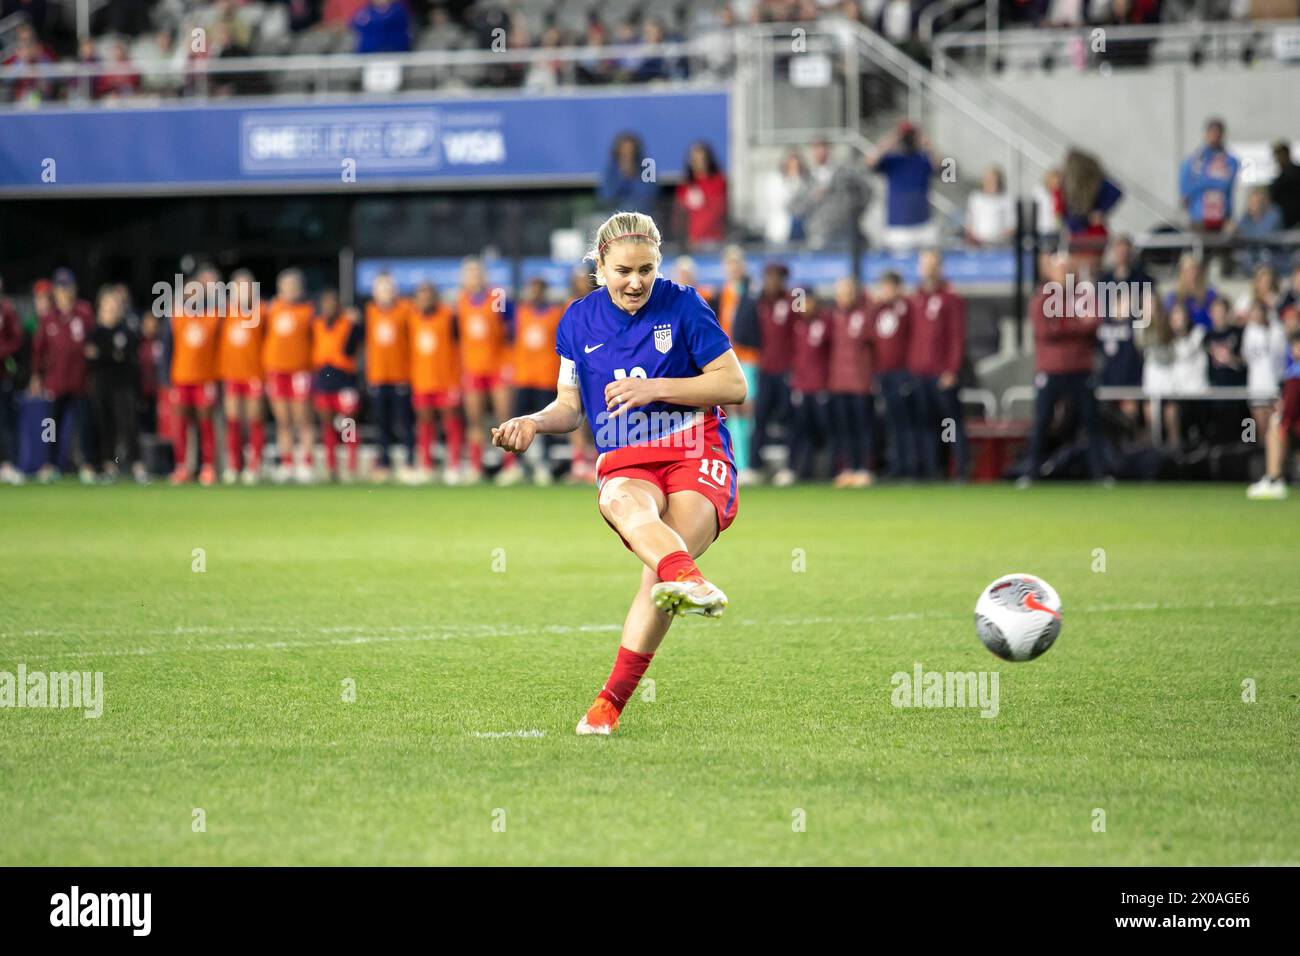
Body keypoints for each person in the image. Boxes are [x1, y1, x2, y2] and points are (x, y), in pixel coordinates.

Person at [489, 212, 746, 736]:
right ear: (599, 265)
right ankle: (688, 581)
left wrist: (656, 388)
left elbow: (734, 385)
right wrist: (533, 422)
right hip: (626, 454)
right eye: (625, 270)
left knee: (662, 567)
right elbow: (570, 406)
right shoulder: (577, 322)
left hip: (695, 445)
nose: (636, 282)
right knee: (626, 507)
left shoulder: (684, 305)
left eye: (647, 270)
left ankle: (609, 703)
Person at [1021, 254, 1105, 485]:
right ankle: (1031, 473)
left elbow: (1094, 322)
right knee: (1041, 423)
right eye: (1061, 270)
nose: (1065, 275)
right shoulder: (1042, 298)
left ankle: (1100, 473)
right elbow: (1046, 331)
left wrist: (1064, 324)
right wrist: (1078, 324)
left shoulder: (1083, 295)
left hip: (1081, 368)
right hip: (1051, 369)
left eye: (1069, 270)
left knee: (1091, 423)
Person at [32, 269, 96, 483]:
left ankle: (87, 465)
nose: (64, 292)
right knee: (50, 427)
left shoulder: (84, 313)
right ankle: (49, 465)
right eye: (60, 287)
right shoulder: (49, 318)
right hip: (55, 382)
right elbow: (39, 349)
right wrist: (36, 375)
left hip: (80, 382)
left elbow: (94, 341)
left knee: (84, 425)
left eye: (67, 286)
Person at [908, 249, 967, 480]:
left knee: (950, 424)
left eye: (933, 264)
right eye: (925, 264)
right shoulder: (915, 300)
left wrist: (952, 369)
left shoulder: (950, 299)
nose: (929, 269)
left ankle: (959, 468)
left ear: (940, 267)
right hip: (919, 372)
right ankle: (933, 471)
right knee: (926, 424)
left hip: (941, 372)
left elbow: (956, 336)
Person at [456, 257, 515, 484]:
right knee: (474, 421)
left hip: (497, 368)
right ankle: (475, 466)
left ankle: (510, 466)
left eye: (477, 272)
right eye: (469, 273)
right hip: (472, 368)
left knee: (505, 419)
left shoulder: (497, 297)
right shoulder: (460, 302)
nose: (474, 277)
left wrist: (510, 363)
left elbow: (512, 330)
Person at [169, 267, 222, 485]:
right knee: (181, 424)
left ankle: (208, 466)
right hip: (181, 377)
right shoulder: (177, 317)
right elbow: (168, 348)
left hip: (206, 378)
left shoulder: (214, 317)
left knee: (205, 423)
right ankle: (183, 466)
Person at [262, 268, 316, 482]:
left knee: (303, 418)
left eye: (294, 286)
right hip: (276, 370)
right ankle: (287, 463)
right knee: (283, 420)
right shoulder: (270, 310)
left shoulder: (309, 311)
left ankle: (307, 463)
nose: (290, 290)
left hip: (300, 370)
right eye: (286, 286)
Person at [85, 286, 143, 483]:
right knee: (104, 425)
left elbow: (128, 357)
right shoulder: (95, 332)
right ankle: (108, 465)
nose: (112, 309)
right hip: (101, 385)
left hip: (124, 386)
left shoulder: (127, 331)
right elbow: (91, 358)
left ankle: (137, 465)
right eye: (108, 305)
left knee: (128, 425)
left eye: (115, 305)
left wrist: (105, 354)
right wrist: (112, 355)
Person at [510, 277, 564, 485]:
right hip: (523, 378)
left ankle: (545, 465)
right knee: (517, 421)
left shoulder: (555, 314)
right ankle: (517, 464)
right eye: (531, 289)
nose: (534, 293)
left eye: (538, 289)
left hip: (546, 378)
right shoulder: (520, 313)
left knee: (546, 424)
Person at [408, 281, 463, 484]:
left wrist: (458, 379)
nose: (425, 300)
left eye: (429, 296)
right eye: (421, 297)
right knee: (424, 423)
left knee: (451, 423)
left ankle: (454, 465)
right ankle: (426, 465)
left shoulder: (448, 316)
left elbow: (460, 347)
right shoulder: (411, 317)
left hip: (446, 381)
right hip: (422, 380)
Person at [217, 268, 265, 484]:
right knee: (233, 421)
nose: (241, 291)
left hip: (254, 373)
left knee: (254, 421)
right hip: (231, 374)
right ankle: (234, 465)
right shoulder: (223, 313)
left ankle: (254, 466)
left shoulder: (262, 311)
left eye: (246, 287)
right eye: (237, 287)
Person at [363, 273, 412, 482]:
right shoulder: (369, 312)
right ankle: (383, 463)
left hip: (401, 375)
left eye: (389, 288)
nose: (386, 293)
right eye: (381, 289)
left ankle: (410, 463)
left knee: (405, 423)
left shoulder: (405, 311)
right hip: (378, 376)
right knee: (381, 423)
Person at [826, 276, 874, 488]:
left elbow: (875, 346)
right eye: (840, 293)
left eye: (847, 292)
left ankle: (864, 468)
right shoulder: (833, 318)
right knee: (843, 429)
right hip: (838, 382)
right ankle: (847, 469)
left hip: (860, 382)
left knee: (862, 428)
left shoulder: (865, 315)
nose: (843, 297)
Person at [750, 262, 796, 483]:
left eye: (777, 277)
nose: (772, 282)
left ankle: (789, 468)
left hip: (787, 370)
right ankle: (754, 466)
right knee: (760, 418)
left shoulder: (794, 300)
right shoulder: (759, 303)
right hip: (765, 368)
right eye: (769, 277)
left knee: (789, 420)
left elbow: (803, 328)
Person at [869, 271, 916, 479]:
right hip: (883, 373)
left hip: (902, 373)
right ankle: (896, 464)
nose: (886, 291)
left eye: (890, 287)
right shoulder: (878, 311)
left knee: (907, 421)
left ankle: (912, 465)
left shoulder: (906, 308)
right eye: (883, 287)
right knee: (891, 422)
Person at [312, 293, 363, 483]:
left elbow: (355, 345)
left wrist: (356, 322)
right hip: (324, 381)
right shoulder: (316, 325)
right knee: (327, 425)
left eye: (332, 304)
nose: (329, 308)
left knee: (348, 424)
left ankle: (351, 467)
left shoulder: (349, 325)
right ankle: (332, 468)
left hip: (345, 381)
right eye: (325, 304)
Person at [783, 294, 832, 485]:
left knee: (824, 431)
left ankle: (828, 470)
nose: (806, 307)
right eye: (803, 304)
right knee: (801, 432)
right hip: (801, 387)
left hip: (820, 387)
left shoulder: (825, 324)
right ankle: (803, 471)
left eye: (810, 302)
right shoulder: (797, 326)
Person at [1246, 331, 1300, 499]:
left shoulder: (1295, 374)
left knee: (1276, 425)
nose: (1294, 349)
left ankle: (1274, 478)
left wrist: (1282, 420)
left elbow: (1290, 409)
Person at [866, 122, 936, 252]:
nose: (908, 141)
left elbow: (948, 172)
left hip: (923, 225)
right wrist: (893, 138)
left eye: (911, 136)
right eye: (906, 137)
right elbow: (870, 162)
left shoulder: (924, 159)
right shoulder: (893, 160)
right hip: (898, 227)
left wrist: (928, 146)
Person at [802, 139, 872, 252]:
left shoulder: (845, 172)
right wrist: (814, 198)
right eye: (816, 149)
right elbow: (796, 207)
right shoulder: (806, 177)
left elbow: (866, 191)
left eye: (823, 149)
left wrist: (855, 212)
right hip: (819, 235)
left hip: (845, 231)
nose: (820, 153)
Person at [1179, 118, 1239, 234]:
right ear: (1206, 134)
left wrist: (1201, 182)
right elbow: (1185, 191)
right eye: (1212, 132)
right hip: (1199, 219)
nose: (1214, 136)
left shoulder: (1230, 160)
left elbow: (1224, 184)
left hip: (1222, 218)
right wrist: (1211, 179)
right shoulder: (1193, 161)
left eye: (1218, 132)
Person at [673, 141, 727, 249]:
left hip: (715, 239)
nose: (699, 162)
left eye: (702, 159)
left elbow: (720, 210)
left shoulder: (719, 182)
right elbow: (679, 214)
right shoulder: (685, 185)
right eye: (695, 159)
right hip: (692, 241)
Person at [598, 132, 659, 216]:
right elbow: (606, 196)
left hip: (642, 218)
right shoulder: (611, 170)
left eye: (630, 152)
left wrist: (632, 175)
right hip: (617, 219)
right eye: (624, 153)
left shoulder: (648, 167)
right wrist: (622, 176)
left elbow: (650, 195)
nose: (627, 156)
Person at [0, 276, 23, 484]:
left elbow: (16, 339)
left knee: (5, 422)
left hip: (2, 374)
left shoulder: (6, 310)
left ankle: (7, 464)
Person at [1230, 187, 1285, 273]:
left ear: (1264, 202)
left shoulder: (1274, 214)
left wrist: (1244, 235)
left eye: (1257, 202)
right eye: (1252, 202)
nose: (1254, 205)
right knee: (1241, 256)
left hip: (1272, 256)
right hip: (1252, 258)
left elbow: (1264, 235)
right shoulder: (1246, 218)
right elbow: (1237, 231)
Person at [964, 166, 1016, 246]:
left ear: (998, 182)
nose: (989, 182)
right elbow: (969, 221)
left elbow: (1011, 226)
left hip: (999, 244)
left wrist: (996, 238)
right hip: (978, 244)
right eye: (986, 179)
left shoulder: (1006, 199)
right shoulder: (975, 198)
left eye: (992, 180)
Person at [1268, 141, 1300, 230]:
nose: (1277, 159)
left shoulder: (1292, 173)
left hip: (1293, 220)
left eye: (1279, 155)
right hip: (1285, 220)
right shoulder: (1282, 175)